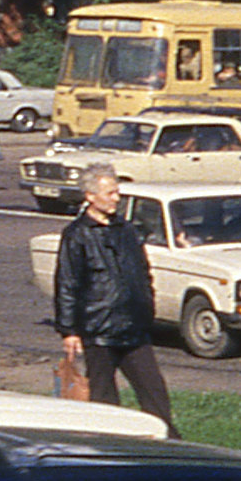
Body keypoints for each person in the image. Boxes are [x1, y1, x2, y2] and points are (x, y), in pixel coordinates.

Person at [54, 162, 178, 437]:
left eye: (117, 192)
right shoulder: (77, 235)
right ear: (90, 196)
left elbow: (143, 272)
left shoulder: (127, 229)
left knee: (154, 390)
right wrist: (69, 331)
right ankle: (109, 443)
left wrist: (148, 306)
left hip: (134, 327)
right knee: (103, 396)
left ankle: (167, 441)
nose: (116, 198)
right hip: (99, 330)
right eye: (110, 193)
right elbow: (67, 283)